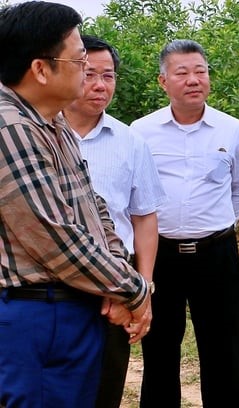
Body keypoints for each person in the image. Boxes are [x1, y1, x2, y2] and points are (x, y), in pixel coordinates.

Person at [0, 2, 152, 408]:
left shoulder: (52, 122)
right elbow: (53, 235)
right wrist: (133, 290)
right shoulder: (10, 127)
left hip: (75, 305)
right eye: (79, 57)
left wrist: (116, 281)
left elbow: (94, 206)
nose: (87, 68)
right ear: (41, 69)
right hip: (33, 315)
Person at [130, 39, 239, 408]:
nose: (193, 79)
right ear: (163, 81)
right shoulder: (141, 130)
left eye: (200, 71)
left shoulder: (231, 130)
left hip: (216, 253)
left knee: (223, 348)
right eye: (182, 73)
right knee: (160, 348)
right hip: (160, 255)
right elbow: (134, 192)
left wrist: (216, 226)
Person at [62, 34, 166, 408]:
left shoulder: (130, 141)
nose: (100, 85)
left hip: (112, 291)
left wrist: (143, 288)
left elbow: (144, 218)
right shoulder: (36, 135)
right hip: (50, 289)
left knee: (105, 390)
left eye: (108, 76)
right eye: (90, 74)